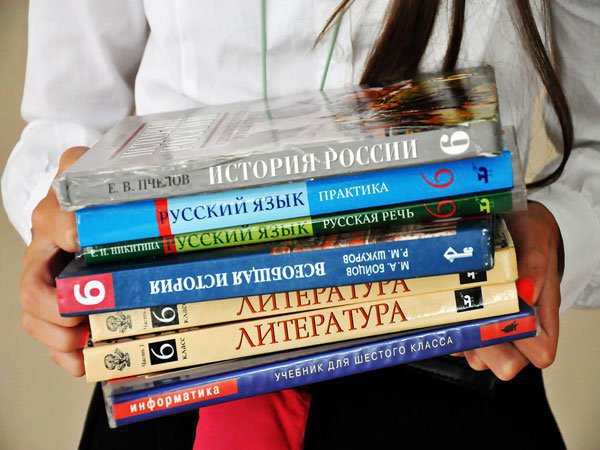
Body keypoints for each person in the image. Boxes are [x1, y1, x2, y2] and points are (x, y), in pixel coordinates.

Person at [2, 1, 599, 449]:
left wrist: (556, 232)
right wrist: (56, 218)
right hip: (175, 359)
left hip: (456, 359)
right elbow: (65, 118)